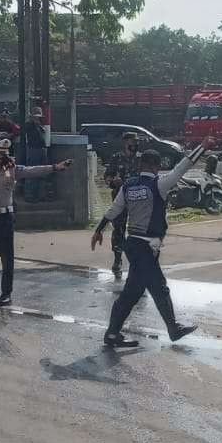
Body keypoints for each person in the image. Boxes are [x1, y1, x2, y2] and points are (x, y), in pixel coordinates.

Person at [90, 141, 212, 348]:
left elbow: (114, 209)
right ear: (156, 166)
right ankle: (173, 329)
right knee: (159, 288)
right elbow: (183, 166)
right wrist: (203, 147)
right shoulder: (159, 184)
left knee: (132, 293)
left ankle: (112, 334)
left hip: (134, 245)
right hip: (145, 248)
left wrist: (99, 229)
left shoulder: (128, 185)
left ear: (140, 166)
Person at [0, 138, 72, 307]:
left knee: (7, 257)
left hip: (5, 217)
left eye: (6, 154)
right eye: (0, 154)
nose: (4, 157)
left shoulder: (11, 169)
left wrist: (55, 167)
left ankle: (6, 293)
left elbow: (31, 171)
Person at [102, 131, 141, 277]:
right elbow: (107, 176)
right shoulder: (117, 158)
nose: (135, 145)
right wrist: (112, 182)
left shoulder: (141, 158)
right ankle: (117, 259)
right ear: (125, 143)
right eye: (132, 143)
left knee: (137, 230)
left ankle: (137, 260)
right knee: (118, 229)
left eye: (137, 143)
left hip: (138, 200)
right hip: (120, 198)